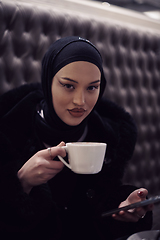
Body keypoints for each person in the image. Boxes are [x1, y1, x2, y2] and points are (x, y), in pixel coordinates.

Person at [0, 36, 153, 240]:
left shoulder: (110, 135)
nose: (80, 101)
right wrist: (22, 183)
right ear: (48, 82)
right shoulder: (8, 131)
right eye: (69, 86)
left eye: (92, 87)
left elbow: (99, 201)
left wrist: (122, 207)